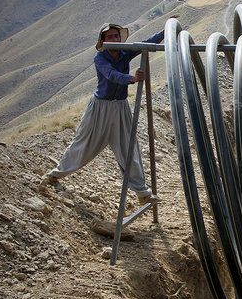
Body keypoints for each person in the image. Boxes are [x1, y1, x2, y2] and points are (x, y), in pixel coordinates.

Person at [40, 22, 172, 205]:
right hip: (100, 108)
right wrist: (132, 79)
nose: (114, 40)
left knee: (129, 148)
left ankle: (142, 193)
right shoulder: (100, 58)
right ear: (103, 40)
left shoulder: (125, 52)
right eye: (109, 37)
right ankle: (55, 174)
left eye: (116, 36)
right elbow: (111, 75)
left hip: (120, 107)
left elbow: (144, 44)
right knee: (82, 144)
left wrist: (164, 32)